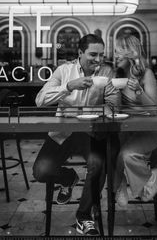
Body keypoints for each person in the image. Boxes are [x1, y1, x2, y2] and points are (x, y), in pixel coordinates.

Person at [33, 34, 119, 236]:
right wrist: (69, 86)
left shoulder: (106, 72)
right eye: (93, 54)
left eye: (101, 55)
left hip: (90, 133)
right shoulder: (64, 70)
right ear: (80, 53)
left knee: (98, 166)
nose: (98, 59)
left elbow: (113, 102)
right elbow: (40, 100)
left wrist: (108, 106)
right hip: (63, 132)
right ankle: (68, 178)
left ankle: (84, 217)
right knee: (41, 172)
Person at [113, 35, 157, 207]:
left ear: (130, 53)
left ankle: (149, 177)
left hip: (149, 130)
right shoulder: (118, 76)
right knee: (110, 148)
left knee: (125, 154)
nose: (115, 56)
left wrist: (140, 92)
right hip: (127, 129)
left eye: (118, 52)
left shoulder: (146, 74)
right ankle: (122, 184)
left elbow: (153, 110)